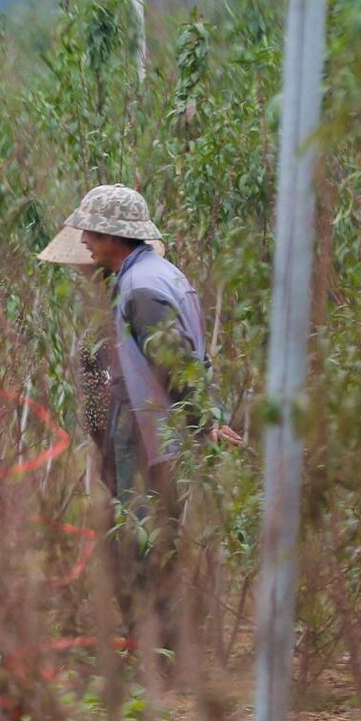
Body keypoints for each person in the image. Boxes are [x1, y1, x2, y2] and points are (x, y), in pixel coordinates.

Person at [37, 184, 234, 625]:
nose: (84, 240)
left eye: (90, 231)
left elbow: (176, 363)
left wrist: (207, 419)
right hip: (157, 431)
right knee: (148, 535)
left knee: (141, 540)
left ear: (113, 236)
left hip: (149, 434)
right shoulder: (156, 276)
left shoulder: (141, 289)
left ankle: (158, 645)